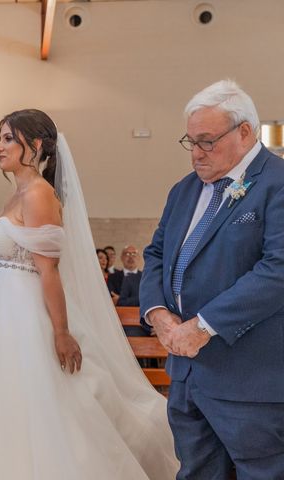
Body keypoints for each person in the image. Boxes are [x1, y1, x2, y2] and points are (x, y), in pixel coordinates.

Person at [0, 109, 178, 479]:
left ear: (34, 146)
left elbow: (47, 270)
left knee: (34, 403)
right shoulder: (15, 193)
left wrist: (61, 332)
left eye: (8, 139)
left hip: (25, 315)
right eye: (0, 138)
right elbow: (1, 264)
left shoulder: (39, 194)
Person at [140, 79, 284, 479]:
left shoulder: (277, 183)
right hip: (187, 375)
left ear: (244, 132)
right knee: (198, 472)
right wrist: (158, 314)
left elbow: (278, 270)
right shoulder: (183, 191)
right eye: (190, 142)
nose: (196, 154)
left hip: (250, 380)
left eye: (207, 141)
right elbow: (155, 254)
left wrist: (203, 327)